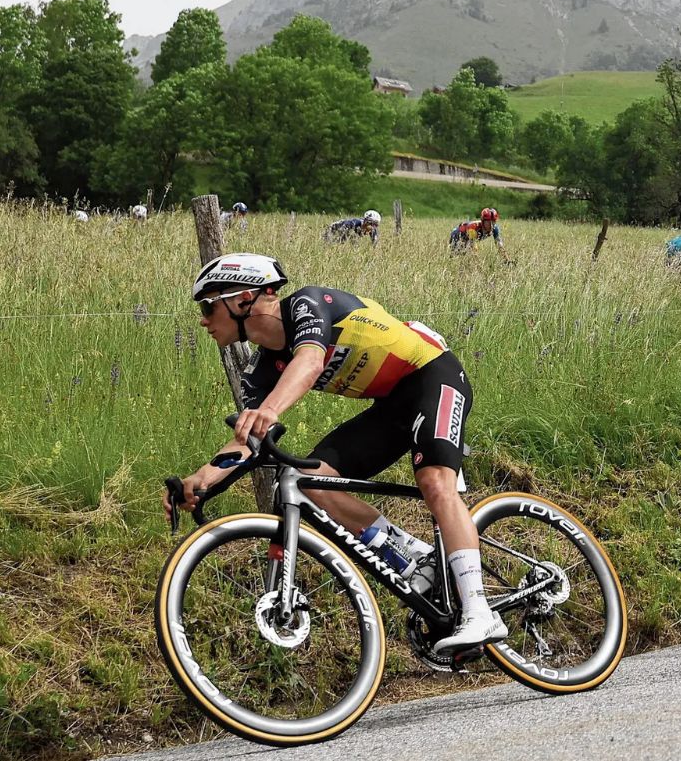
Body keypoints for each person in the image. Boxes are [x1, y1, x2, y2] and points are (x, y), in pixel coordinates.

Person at [166, 253, 505, 654]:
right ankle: (417, 558)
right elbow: (249, 439)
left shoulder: (307, 305)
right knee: (315, 483)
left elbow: (309, 361)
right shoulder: (260, 370)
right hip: (392, 405)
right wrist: (199, 480)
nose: (203, 320)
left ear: (242, 301)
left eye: (208, 306)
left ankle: (481, 612)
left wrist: (270, 410)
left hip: (435, 375)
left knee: (434, 482)